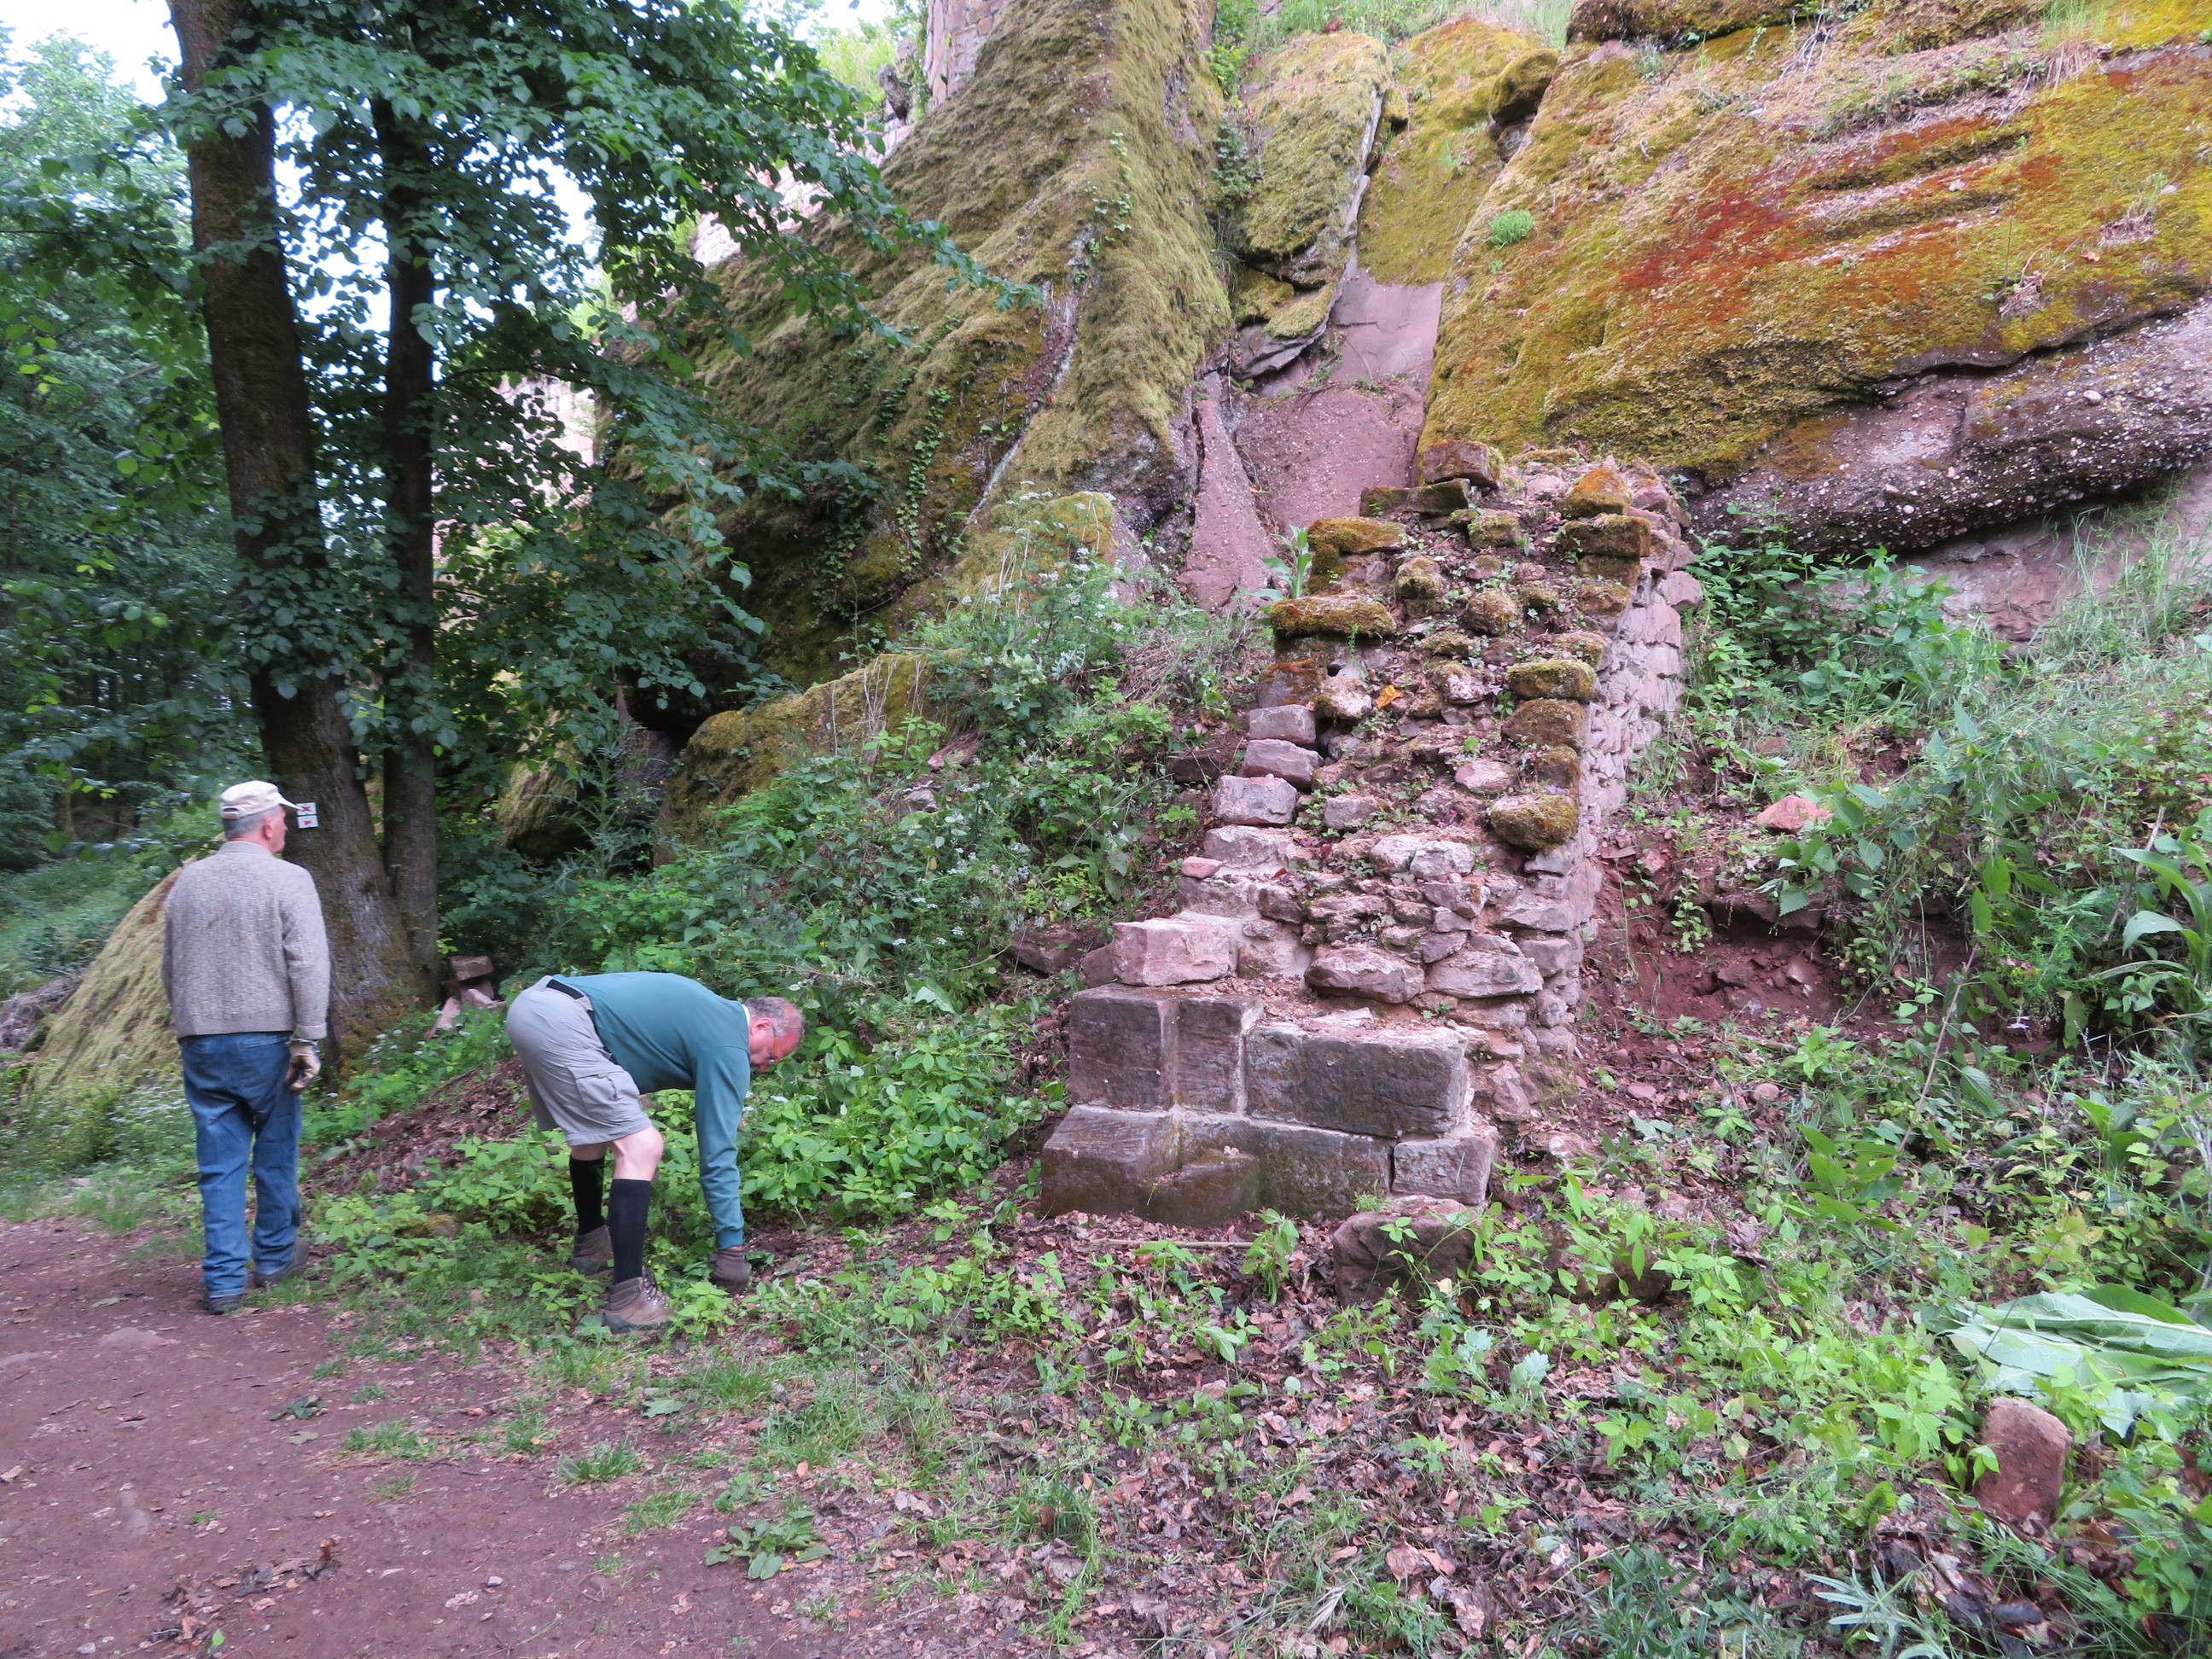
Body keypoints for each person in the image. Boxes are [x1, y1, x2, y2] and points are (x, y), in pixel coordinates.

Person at [504, 972, 805, 1333]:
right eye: (772, 1056)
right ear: (761, 1026)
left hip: (532, 1007)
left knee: (594, 1136)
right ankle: (629, 1301)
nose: (764, 1067)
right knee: (642, 1146)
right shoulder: (728, 1044)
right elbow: (718, 1154)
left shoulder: (707, 1009)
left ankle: (592, 1248)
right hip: (563, 1022)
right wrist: (732, 1249)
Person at [160, 781, 329, 1314]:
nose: (286, 828)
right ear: (270, 825)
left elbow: (170, 966)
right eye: (284, 820)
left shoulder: (188, 881)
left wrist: (191, 1023)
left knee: (219, 1165)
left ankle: (223, 1281)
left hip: (201, 1040)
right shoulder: (289, 878)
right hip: (269, 1041)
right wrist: (308, 1036)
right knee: (275, 1152)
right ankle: (275, 1258)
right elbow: (308, 962)